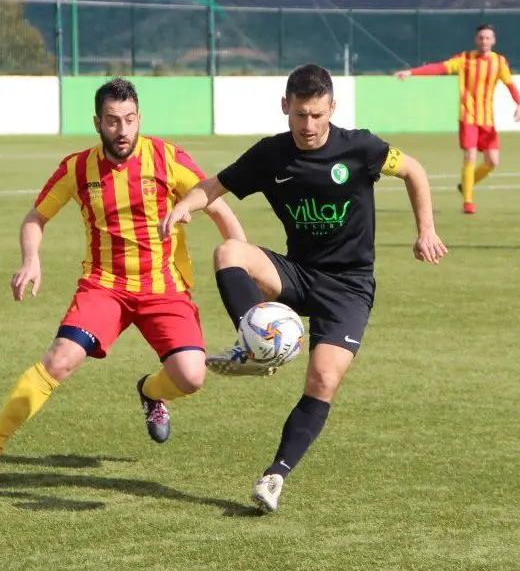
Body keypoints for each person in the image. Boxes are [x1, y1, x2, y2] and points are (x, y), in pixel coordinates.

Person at [159, 64, 448, 513]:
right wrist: (185, 207)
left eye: (317, 115)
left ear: (332, 108)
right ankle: (254, 344)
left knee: (323, 379)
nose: (308, 126)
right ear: (285, 108)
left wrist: (425, 230)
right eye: (299, 115)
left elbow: (414, 170)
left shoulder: (361, 148)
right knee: (229, 252)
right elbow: (214, 186)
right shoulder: (270, 156)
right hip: (297, 273)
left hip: (348, 287)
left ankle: (274, 476)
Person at [0, 78, 246, 485]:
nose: (123, 130)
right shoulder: (78, 167)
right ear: (98, 122)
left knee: (191, 376)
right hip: (104, 286)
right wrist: (31, 259)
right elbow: (35, 217)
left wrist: (243, 260)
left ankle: (151, 391)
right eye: (112, 121)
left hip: (163, 287)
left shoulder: (167, 157)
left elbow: (216, 206)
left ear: (139, 117)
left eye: (129, 119)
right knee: (59, 360)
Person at [394, 23, 520, 214]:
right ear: (476, 39)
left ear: (493, 40)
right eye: (481, 37)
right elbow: (438, 68)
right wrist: (411, 72)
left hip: (487, 120)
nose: (484, 41)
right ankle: (468, 201)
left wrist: (519, 104)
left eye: (488, 38)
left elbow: (510, 85)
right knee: (470, 155)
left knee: (493, 162)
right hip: (468, 117)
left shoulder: (499, 62)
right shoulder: (464, 59)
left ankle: (466, 185)